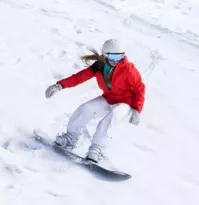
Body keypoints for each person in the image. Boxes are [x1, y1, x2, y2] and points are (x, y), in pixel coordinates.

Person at [45, 39, 145, 163]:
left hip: (125, 103)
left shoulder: (128, 69)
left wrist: (137, 110)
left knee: (110, 118)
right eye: (113, 57)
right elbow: (79, 77)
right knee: (85, 109)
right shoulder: (99, 66)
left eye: (120, 56)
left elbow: (139, 89)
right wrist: (59, 85)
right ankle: (70, 139)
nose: (116, 60)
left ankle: (97, 150)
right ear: (105, 55)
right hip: (109, 99)